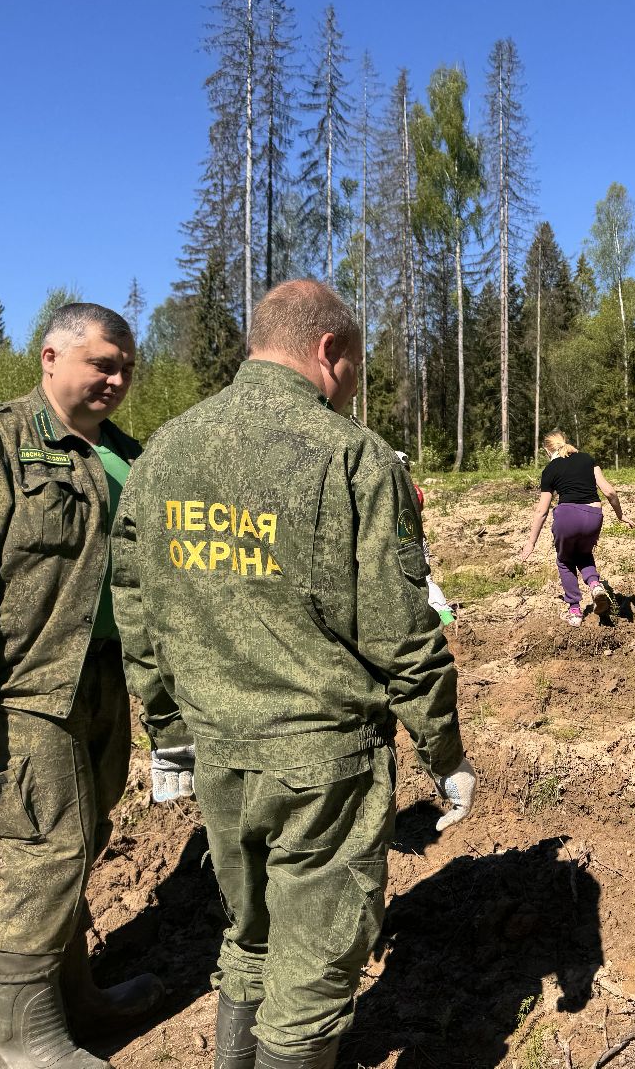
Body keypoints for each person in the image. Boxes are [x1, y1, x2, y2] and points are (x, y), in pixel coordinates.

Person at [111, 279, 475, 1069]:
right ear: (328, 351)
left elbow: (133, 607)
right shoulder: (353, 456)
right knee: (312, 975)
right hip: (322, 767)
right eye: (354, 369)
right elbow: (402, 631)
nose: (351, 388)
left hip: (217, 751)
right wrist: (443, 751)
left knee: (250, 937)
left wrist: (169, 731)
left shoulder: (166, 449)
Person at [0, 304, 162, 1068]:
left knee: (83, 842)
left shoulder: (122, 455)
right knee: (48, 852)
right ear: (51, 357)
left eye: (125, 368)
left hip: (102, 681)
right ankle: (24, 1044)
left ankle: (72, 996)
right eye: (102, 364)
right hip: (18, 690)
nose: (116, 379)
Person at [517, 432, 633, 626]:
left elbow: (541, 511)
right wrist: (620, 515)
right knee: (584, 554)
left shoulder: (550, 469)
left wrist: (531, 543)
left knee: (565, 561)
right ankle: (595, 585)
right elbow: (609, 491)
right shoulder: (587, 459)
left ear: (547, 450)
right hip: (594, 516)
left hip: (567, 516)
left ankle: (575, 611)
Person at [395, 450, 454, 625]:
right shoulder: (416, 490)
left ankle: (440, 618)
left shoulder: (395, 492)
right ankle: (445, 616)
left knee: (417, 582)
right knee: (425, 581)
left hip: (404, 543)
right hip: (419, 539)